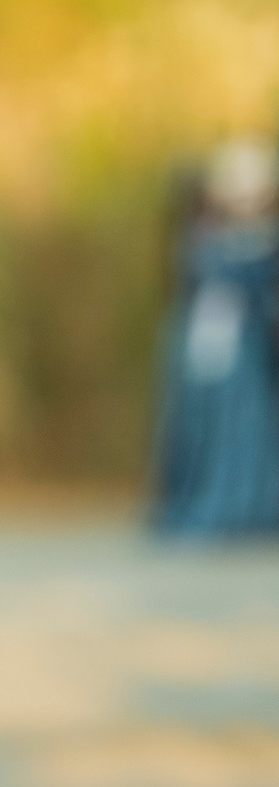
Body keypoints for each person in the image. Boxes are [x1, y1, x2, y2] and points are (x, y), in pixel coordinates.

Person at [153, 137, 279, 535]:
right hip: (219, 354)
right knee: (212, 432)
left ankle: (250, 502)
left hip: (247, 353)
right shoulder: (206, 242)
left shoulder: (243, 243)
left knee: (248, 432)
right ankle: (226, 502)